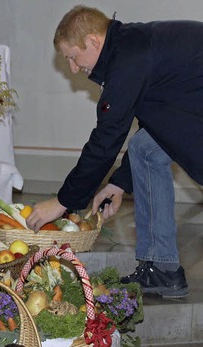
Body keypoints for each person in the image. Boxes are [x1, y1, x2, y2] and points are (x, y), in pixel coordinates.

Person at [25, 4, 203, 299]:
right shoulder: (132, 48)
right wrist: (120, 182)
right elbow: (157, 123)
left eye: (72, 57)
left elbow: (106, 138)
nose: (73, 68)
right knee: (145, 148)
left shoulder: (128, 57)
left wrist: (62, 201)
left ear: (94, 41)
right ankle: (162, 267)